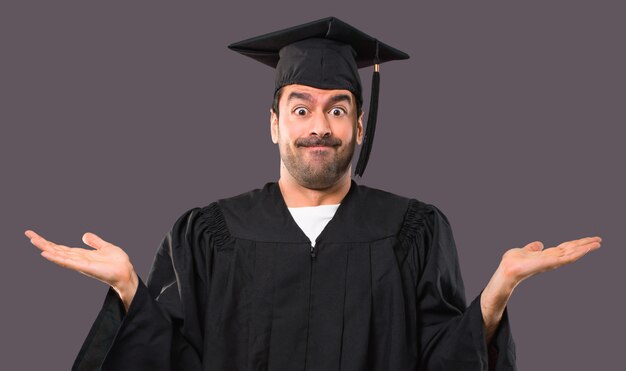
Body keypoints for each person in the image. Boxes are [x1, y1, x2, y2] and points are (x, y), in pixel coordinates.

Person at [25, 17, 601, 371]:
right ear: (274, 123)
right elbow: (175, 356)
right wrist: (129, 289)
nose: (318, 125)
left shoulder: (414, 230)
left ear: (360, 126)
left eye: (337, 108)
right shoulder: (210, 232)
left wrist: (498, 291)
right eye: (300, 108)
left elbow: (442, 357)